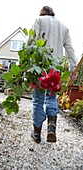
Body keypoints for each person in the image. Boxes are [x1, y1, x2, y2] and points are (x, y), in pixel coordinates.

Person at [28, 6, 76, 143]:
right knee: (51, 97)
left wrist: (24, 62)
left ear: (42, 13)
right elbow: (70, 49)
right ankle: (51, 128)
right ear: (53, 14)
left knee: (38, 100)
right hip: (56, 69)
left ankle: (36, 133)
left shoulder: (38, 20)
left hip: (39, 66)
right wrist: (73, 69)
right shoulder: (63, 27)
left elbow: (30, 41)